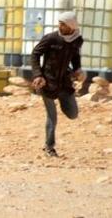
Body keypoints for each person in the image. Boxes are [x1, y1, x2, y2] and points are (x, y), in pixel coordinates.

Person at [31, 11, 84, 157]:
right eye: (59, 24)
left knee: (73, 114)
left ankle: (62, 102)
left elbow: (75, 56)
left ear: (71, 26)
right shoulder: (51, 38)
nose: (60, 27)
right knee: (52, 116)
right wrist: (38, 75)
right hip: (47, 81)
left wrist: (78, 69)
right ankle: (49, 147)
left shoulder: (76, 40)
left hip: (64, 83)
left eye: (63, 25)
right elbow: (35, 54)